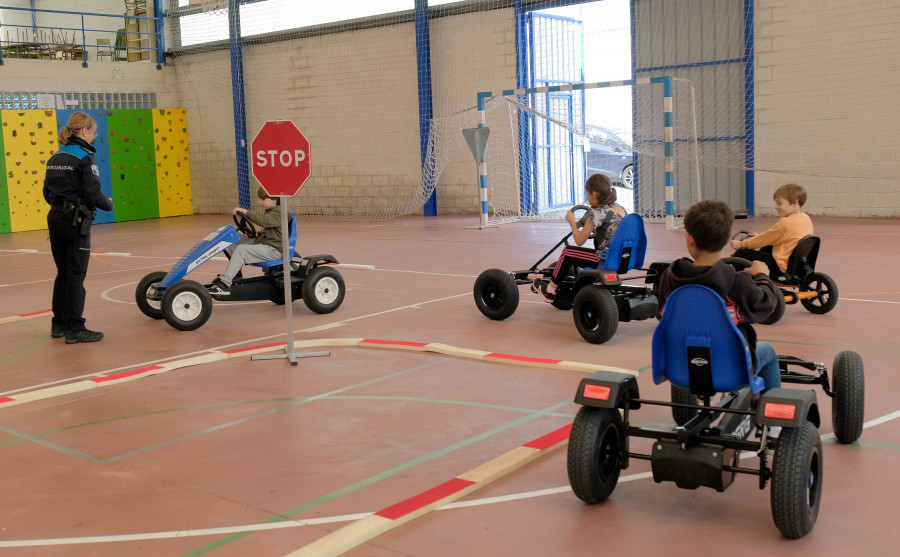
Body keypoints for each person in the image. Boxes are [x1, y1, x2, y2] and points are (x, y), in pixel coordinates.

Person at [657, 199, 781, 390]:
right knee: (768, 352)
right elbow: (767, 304)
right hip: (733, 371)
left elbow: (662, 316)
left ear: (689, 238)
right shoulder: (738, 281)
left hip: (680, 368)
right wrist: (762, 276)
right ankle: (773, 415)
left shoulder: (670, 277)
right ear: (726, 239)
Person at [43, 112, 114, 344]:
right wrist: (108, 204)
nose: (94, 136)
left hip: (54, 218)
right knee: (76, 275)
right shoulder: (84, 157)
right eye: (93, 131)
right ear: (84, 132)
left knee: (63, 273)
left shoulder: (55, 156)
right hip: (75, 222)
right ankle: (75, 328)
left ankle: (59, 324)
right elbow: (91, 193)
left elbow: (46, 192)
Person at [532, 173, 626, 302]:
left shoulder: (595, 214)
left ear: (594, 194)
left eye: (587, 193)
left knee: (567, 252)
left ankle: (550, 290)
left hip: (604, 259)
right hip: (622, 258)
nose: (586, 197)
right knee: (575, 253)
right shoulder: (620, 209)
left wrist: (572, 222)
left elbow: (579, 241)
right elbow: (610, 230)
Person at [208, 186, 284, 295]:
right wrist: (253, 235)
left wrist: (245, 212)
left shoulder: (280, 212)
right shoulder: (271, 211)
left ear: (274, 199)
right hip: (265, 244)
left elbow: (264, 222)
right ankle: (235, 273)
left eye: (263, 199)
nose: (260, 201)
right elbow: (269, 232)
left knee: (242, 250)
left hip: (274, 250)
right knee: (234, 237)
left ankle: (224, 285)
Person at [730, 183, 813, 278]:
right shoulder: (806, 219)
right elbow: (772, 238)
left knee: (741, 254)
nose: (776, 207)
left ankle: (746, 282)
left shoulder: (786, 223)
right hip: (797, 266)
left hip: (781, 267)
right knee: (767, 248)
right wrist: (759, 237)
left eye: (780, 203)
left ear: (794, 203)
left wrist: (741, 244)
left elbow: (763, 239)